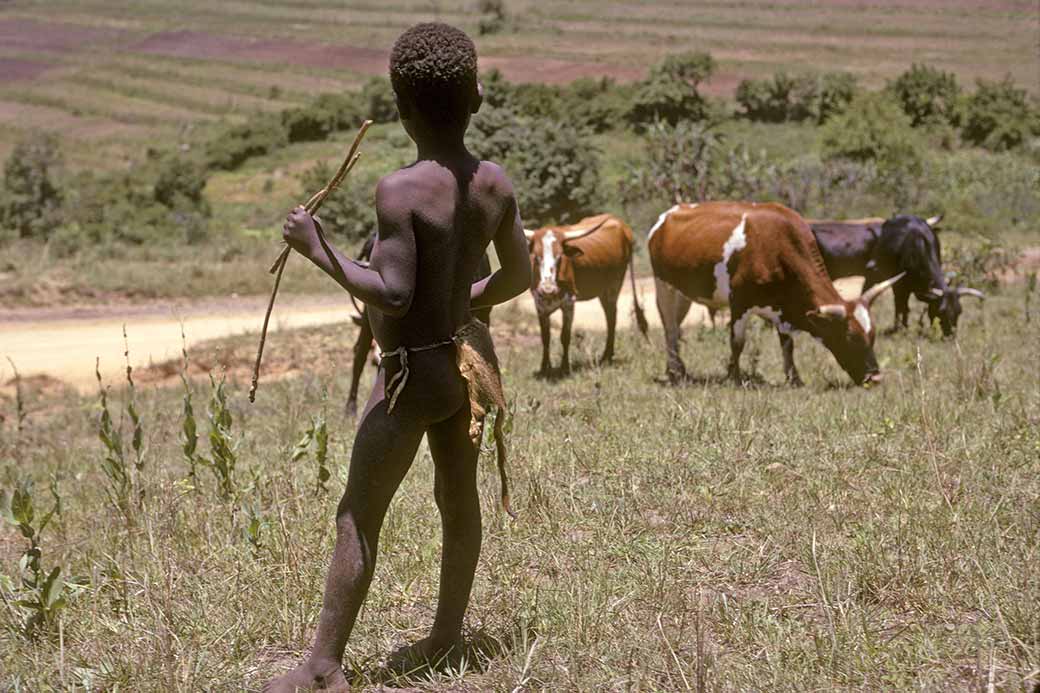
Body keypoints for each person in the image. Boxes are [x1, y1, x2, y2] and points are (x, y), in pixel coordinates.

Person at [265, 22, 530, 692]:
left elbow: (391, 289)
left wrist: (317, 247)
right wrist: (463, 301)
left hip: (409, 375)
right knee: (456, 498)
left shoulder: (401, 191)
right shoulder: (495, 183)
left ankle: (323, 667)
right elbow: (519, 276)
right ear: (476, 96)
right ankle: (447, 637)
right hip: (461, 366)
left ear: (401, 106)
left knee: (358, 512)